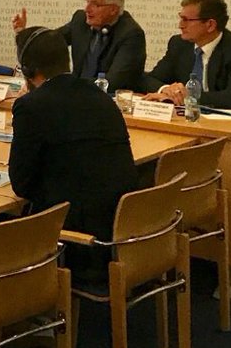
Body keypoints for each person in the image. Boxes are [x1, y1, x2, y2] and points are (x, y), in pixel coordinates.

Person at [10, 27, 139, 283]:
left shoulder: (31, 106)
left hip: (77, 239)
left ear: (28, 70)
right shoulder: (101, 97)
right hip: (122, 225)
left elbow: (21, 185)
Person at [11, 0, 146, 91]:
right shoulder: (80, 20)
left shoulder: (131, 34)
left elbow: (113, 81)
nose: (87, 9)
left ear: (113, 9)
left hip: (107, 100)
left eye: (95, 4)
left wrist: (67, 86)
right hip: (74, 93)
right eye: (87, 2)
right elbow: (49, 43)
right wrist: (22, 34)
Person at [140, 0, 231, 110]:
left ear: (210, 25)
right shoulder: (179, 44)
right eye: (181, 18)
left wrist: (188, 96)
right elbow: (149, 79)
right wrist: (166, 90)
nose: (180, 25)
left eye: (186, 20)